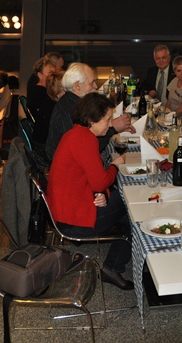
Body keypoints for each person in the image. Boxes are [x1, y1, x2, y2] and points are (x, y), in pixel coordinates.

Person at [47, 93, 133, 290]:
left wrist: (101, 194)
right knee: (131, 208)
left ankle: (115, 264)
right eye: (107, 120)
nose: (110, 124)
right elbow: (100, 182)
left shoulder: (75, 134)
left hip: (65, 209)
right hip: (73, 221)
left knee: (124, 208)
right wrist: (115, 165)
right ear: (92, 120)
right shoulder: (85, 140)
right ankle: (113, 267)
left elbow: (89, 180)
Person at [45, 63, 134, 161]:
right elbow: (86, 149)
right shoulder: (70, 111)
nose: (95, 86)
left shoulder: (72, 102)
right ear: (78, 86)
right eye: (91, 83)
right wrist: (113, 128)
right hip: (68, 165)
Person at [28, 57, 57, 145]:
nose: (53, 76)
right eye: (50, 73)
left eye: (54, 73)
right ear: (40, 75)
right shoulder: (40, 94)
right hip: (44, 141)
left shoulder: (44, 92)